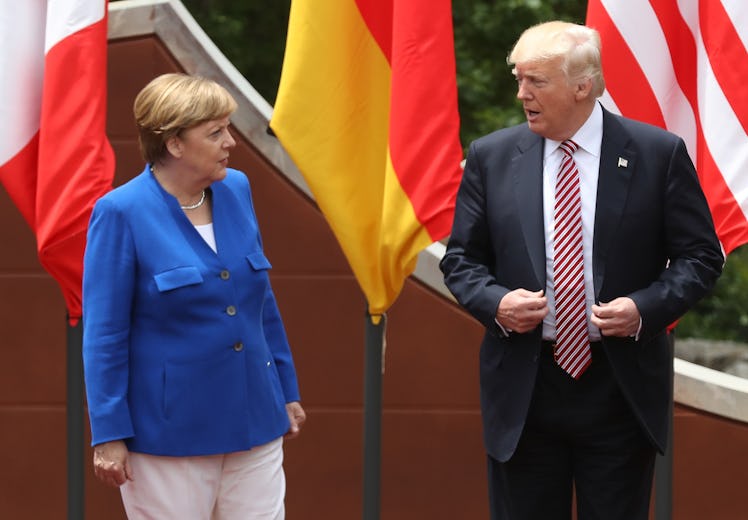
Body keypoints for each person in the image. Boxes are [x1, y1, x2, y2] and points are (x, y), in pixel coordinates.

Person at [440, 21, 723, 520]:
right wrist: (497, 303)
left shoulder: (658, 155)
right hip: (525, 392)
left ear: (582, 85)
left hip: (619, 387)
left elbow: (701, 255)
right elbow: (461, 260)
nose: (522, 94)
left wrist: (644, 308)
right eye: (519, 79)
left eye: (536, 81)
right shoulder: (492, 157)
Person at [82, 73, 306, 519]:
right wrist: (108, 433)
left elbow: (259, 301)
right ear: (174, 144)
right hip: (169, 434)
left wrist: (284, 387)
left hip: (255, 418)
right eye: (216, 132)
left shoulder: (237, 189)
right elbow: (104, 333)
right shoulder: (120, 212)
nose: (231, 142)